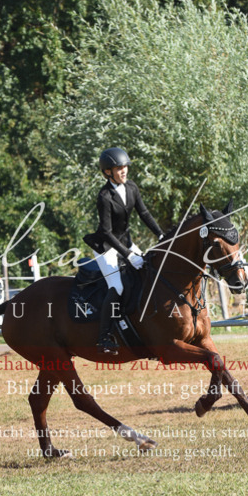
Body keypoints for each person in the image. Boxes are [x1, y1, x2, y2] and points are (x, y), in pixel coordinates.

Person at [85, 147, 164, 355]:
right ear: (108, 172)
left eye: (125, 167)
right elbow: (106, 232)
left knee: (146, 271)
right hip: (106, 247)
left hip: (126, 242)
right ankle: (104, 337)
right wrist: (128, 255)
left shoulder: (131, 187)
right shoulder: (104, 196)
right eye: (119, 168)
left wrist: (161, 235)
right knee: (117, 286)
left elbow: (144, 213)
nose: (124, 171)